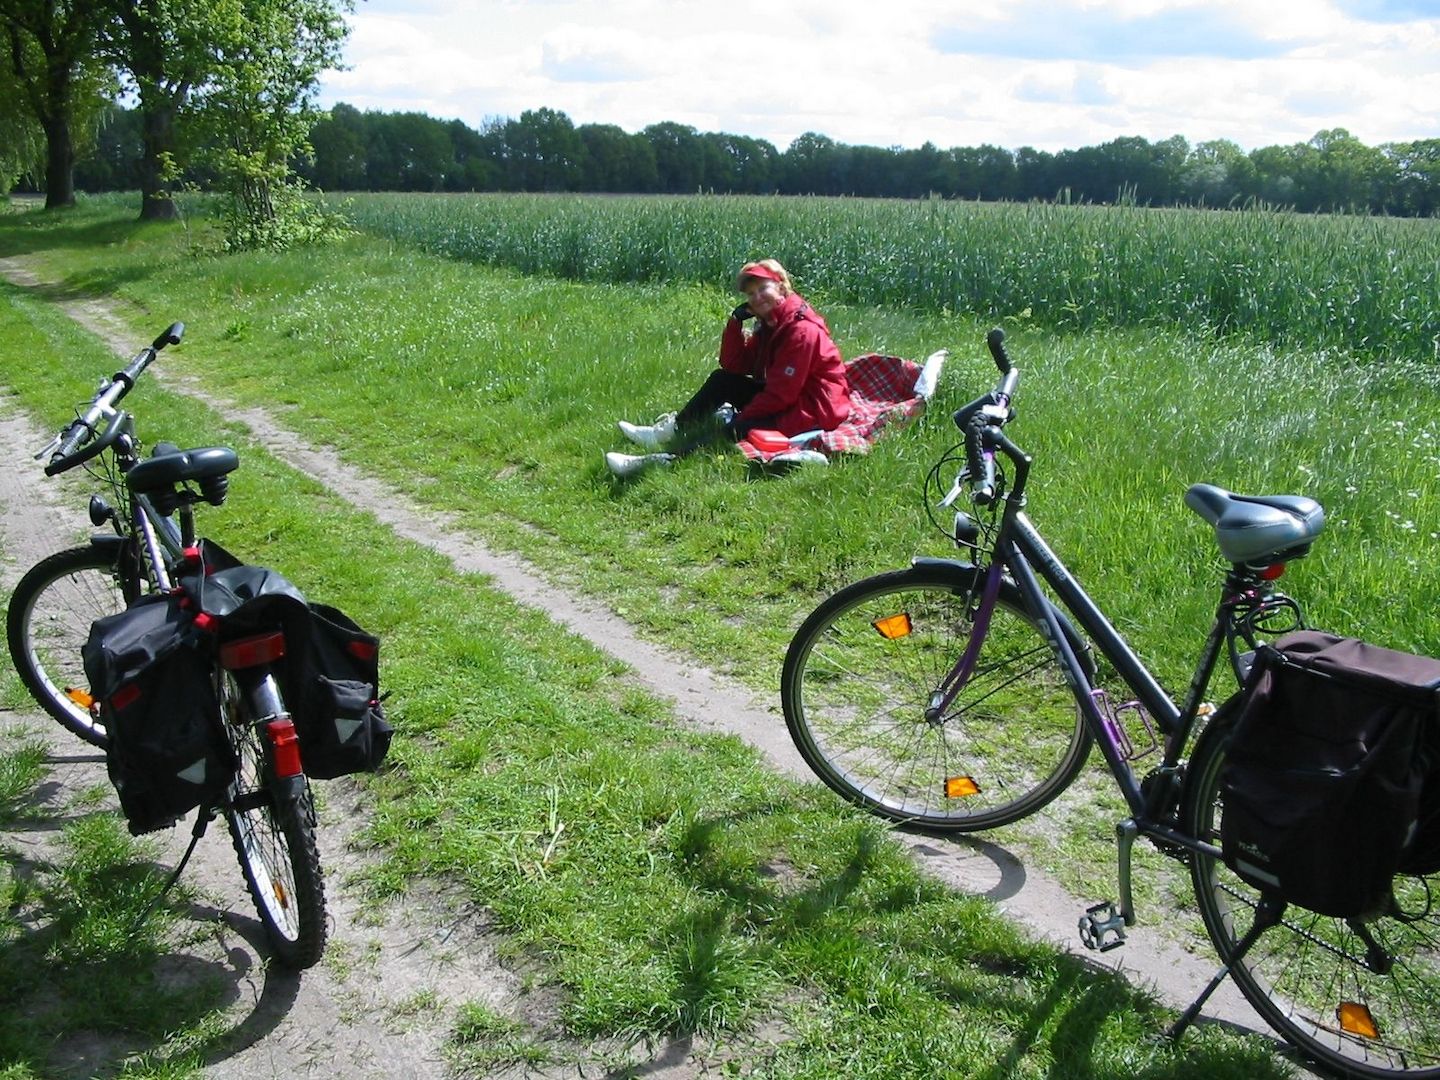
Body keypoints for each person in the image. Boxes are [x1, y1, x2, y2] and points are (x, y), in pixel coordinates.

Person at [606, 259, 852, 477]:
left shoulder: (800, 331)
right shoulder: (772, 323)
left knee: (736, 428)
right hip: (793, 396)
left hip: (814, 408)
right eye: (751, 294)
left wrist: (744, 418)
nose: (757, 297)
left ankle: (666, 461)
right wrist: (735, 323)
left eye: (762, 288)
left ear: (781, 286)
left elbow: (781, 394)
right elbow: (735, 365)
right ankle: (668, 432)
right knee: (722, 380)